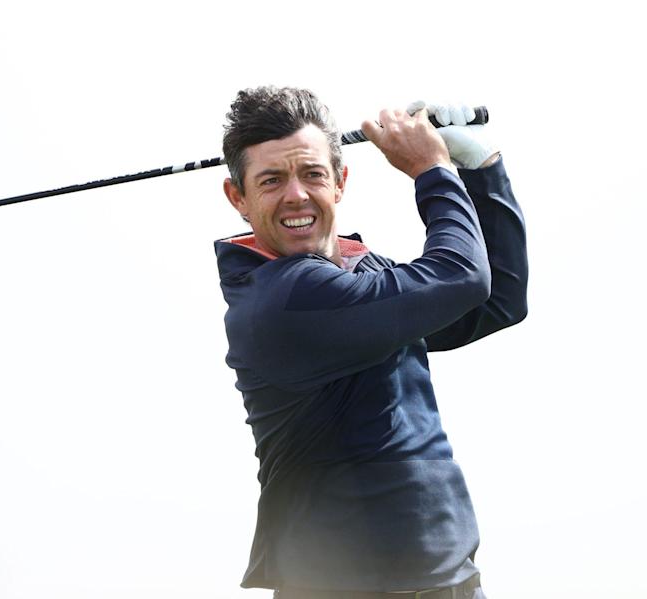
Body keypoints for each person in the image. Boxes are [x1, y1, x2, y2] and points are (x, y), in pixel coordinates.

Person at [214, 87, 528, 599]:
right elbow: (462, 278)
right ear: (238, 198)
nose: (296, 195)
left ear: (339, 182)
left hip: (447, 582)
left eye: (312, 174)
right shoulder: (285, 297)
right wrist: (432, 170)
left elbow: (497, 299)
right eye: (271, 180)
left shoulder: (354, 277)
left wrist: (480, 167)